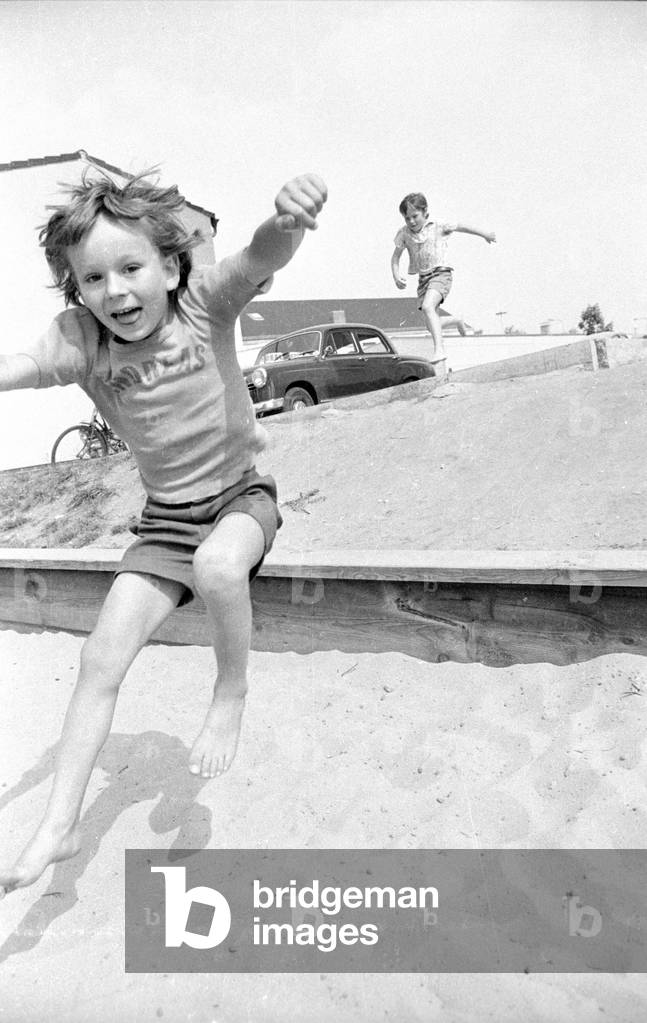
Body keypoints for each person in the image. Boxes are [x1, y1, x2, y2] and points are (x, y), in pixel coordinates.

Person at [0, 166, 327, 898]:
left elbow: (261, 254)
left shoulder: (203, 304)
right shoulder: (83, 341)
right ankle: (60, 821)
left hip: (241, 498)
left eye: (130, 268)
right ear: (76, 290)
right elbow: (19, 365)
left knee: (218, 568)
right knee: (98, 658)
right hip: (164, 522)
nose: (115, 291)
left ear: (171, 265)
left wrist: (289, 218)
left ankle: (230, 689)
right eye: (93, 278)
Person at [391, 192, 495, 379]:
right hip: (423, 280)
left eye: (415, 216)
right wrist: (396, 275)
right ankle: (456, 321)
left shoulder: (438, 225)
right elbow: (395, 257)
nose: (411, 221)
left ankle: (439, 350)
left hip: (441, 274)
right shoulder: (404, 233)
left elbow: (462, 226)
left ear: (425, 213)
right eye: (407, 218)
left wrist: (485, 234)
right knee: (432, 326)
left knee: (429, 306)